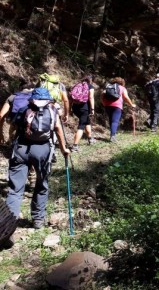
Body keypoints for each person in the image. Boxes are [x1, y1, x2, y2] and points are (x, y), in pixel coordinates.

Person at [5, 87, 70, 229]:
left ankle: (9, 223)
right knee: (41, 184)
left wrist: (11, 140)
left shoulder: (23, 109)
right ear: (48, 100)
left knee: (15, 189)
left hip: (21, 149)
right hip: (43, 150)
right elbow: (58, 129)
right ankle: (38, 220)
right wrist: (64, 148)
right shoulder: (52, 110)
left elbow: (14, 127)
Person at [101, 77, 136, 142]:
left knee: (111, 120)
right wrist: (131, 104)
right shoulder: (122, 88)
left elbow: (102, 94)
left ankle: (112, 134)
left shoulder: (108, 87)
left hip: (107, 105)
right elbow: (126, 97)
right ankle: (113, 136)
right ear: (122, 83)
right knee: (115, 121)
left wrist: (104, 103)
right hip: (117, 106)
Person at [0, 79, 35, 144]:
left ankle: (9, 145)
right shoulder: (35, 98)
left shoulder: (13, 97)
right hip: (28, 125)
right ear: (33, 89)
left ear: (20, 88)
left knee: (9, 142)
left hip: (13, 121)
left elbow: (1, 115)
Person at [70, 75, 96, 152]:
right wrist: (92, 109)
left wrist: (69, 109)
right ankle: (75, 146)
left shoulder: (77, 85)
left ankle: (90, 138)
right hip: (84, 108)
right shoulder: (90, 86)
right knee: (81, 125)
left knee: (87, 122)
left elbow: (70, 98)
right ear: (91, 80)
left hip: (75, 108)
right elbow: (91, 97)